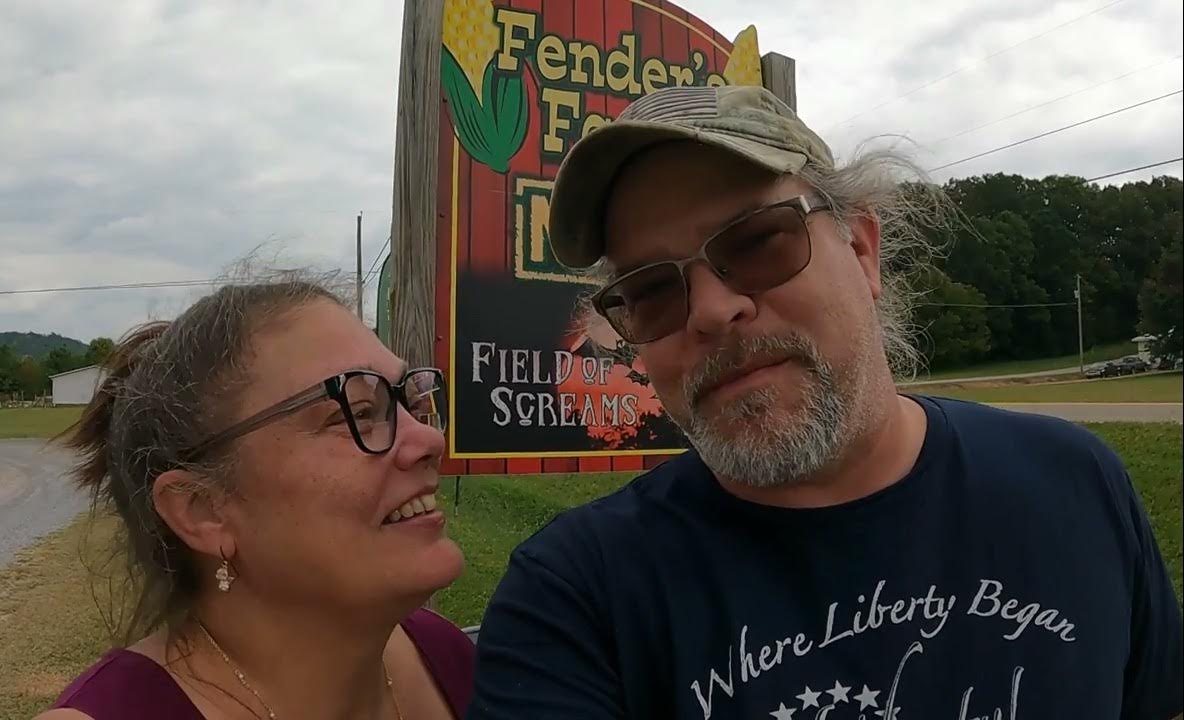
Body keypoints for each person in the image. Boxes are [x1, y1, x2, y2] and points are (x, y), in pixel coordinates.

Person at [465, 85, 1183, 718]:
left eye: (757, 242)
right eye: (652, 291)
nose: (712, 310)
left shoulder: (1073, 482)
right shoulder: (574, 603)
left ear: (863, 251)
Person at [37, 270, 474, 720]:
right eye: (358, 413)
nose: (428, 439)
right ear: (203, 510)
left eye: (411, 402)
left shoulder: (445, 657)